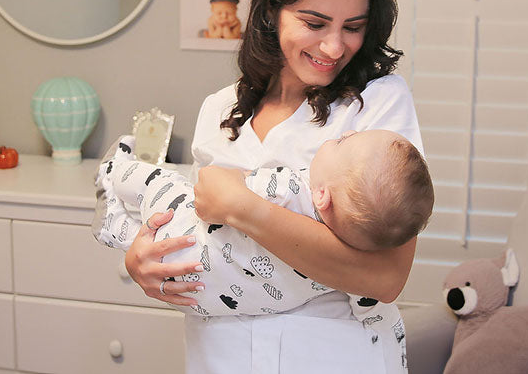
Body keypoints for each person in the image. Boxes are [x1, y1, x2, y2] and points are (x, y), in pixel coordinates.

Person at [120, 0, 425, 374]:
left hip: (336, 358)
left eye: (353, 27)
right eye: (314, 22)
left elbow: (385, 277)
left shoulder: (376, 106)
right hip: (220, 357)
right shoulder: (220, 109)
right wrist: (143, 260)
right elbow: (201, 243)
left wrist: (246, 209)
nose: (334, 45)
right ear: (272, 11)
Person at [93, 129, 433, 318]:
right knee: (156, 235)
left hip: (187, 244)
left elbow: (215, 189)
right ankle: (118, 226)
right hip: (206, 298)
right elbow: (369, 301)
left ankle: (112, 172)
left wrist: (237, 198)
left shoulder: (289, 189)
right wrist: (135, 262)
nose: (344, 133)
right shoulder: (344, 271)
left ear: (322, 197)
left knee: (159, 181)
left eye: (343, 141)